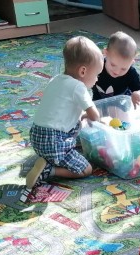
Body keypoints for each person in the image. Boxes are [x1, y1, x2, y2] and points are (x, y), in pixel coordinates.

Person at [26, 35, 104, 190]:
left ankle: (48, 159)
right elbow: (95, 116)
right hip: (54, 142)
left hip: (37, 138)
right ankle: (49, 170)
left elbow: (59, 111)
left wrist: (82, 116)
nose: (96, 79)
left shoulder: (55, 79)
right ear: (83, 71)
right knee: (86, 169)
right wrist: (101, 119)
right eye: (96, 75)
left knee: (77, 128)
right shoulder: (78, 87)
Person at [92, 31, 140, 108]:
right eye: (113, 65)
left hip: (121, 104)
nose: (117, 72)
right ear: (105, 53)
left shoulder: (131, 73)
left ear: (131, 63)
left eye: (124, 69)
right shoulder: (97, 66)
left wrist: (138, 94)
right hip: (97, 102)